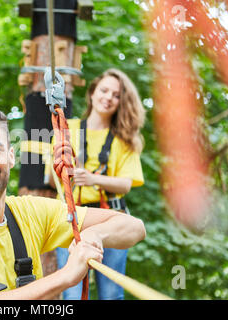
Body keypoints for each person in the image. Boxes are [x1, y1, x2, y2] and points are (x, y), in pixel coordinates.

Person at [0, 105, 145, 300]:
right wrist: (65, 276)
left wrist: (95, 235)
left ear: (11, 156)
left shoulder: (32, 213)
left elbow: (134, 227)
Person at [49, 68, 146, 300]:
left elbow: (125, 184)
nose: (108, 98)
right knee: (72, 293)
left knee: (111, 293)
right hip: (73, 216)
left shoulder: (124, 139)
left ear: (121, 102)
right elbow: (55, 175)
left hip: (109, 216)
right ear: (92, 93)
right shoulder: (67, 129)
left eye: (116, 95)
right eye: (104, 90)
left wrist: (93, 179)